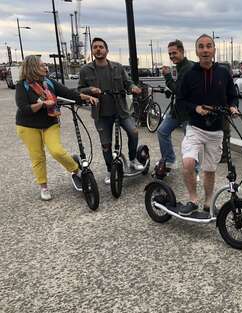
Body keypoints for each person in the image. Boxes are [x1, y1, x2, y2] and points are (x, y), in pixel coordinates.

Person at [15, 55, 98, 201]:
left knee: (57, 151)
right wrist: (41, 104)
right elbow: (24, 108)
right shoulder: (22, 85)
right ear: (33, 68)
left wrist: (87, 97)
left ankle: (76, 170)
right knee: (37, 156)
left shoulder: (48, 83)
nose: (45, 67)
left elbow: (68, 93)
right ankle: (44, 186)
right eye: (42, 65)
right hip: (28, 126)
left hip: (49, 122)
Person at [176, 34, 239, 215]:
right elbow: (180, 101)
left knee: (209, 170)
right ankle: (193, 199)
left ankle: (208, 202)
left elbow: (232, 96)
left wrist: (233, 107)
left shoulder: (223, 73)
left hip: (216, 130)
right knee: (188, 163)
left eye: (208, 46)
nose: (205, 50)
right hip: (195, 128)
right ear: (196, 51)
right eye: (201, 47)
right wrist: (195, 108)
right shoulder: (189, 74)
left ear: (214, 50)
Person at [78, 37, 143, 185]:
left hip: (120, 110)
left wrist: (133, 88)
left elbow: (128, 83)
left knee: (133, 132)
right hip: (101, 114)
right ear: (92, 51)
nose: (98, 49)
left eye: (101, 47)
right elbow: (80, 89)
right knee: (106, 144)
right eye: (95, 47)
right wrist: (90, 90)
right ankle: (109, 170)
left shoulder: (117, 67)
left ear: (107, 50)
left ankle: (133, 159)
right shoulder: (85, 70)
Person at [156, 39, 194, 172]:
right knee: (162, 131)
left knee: (189, 144)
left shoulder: (187, 68)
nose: (172, 56)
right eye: (170, 54)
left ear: (182, 51)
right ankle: (170, 159)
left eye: (174, 53)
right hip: (177, 110)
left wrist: (167, 77)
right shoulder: (181, 67)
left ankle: (195, 172)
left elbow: (179, 90)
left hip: (188, 113)